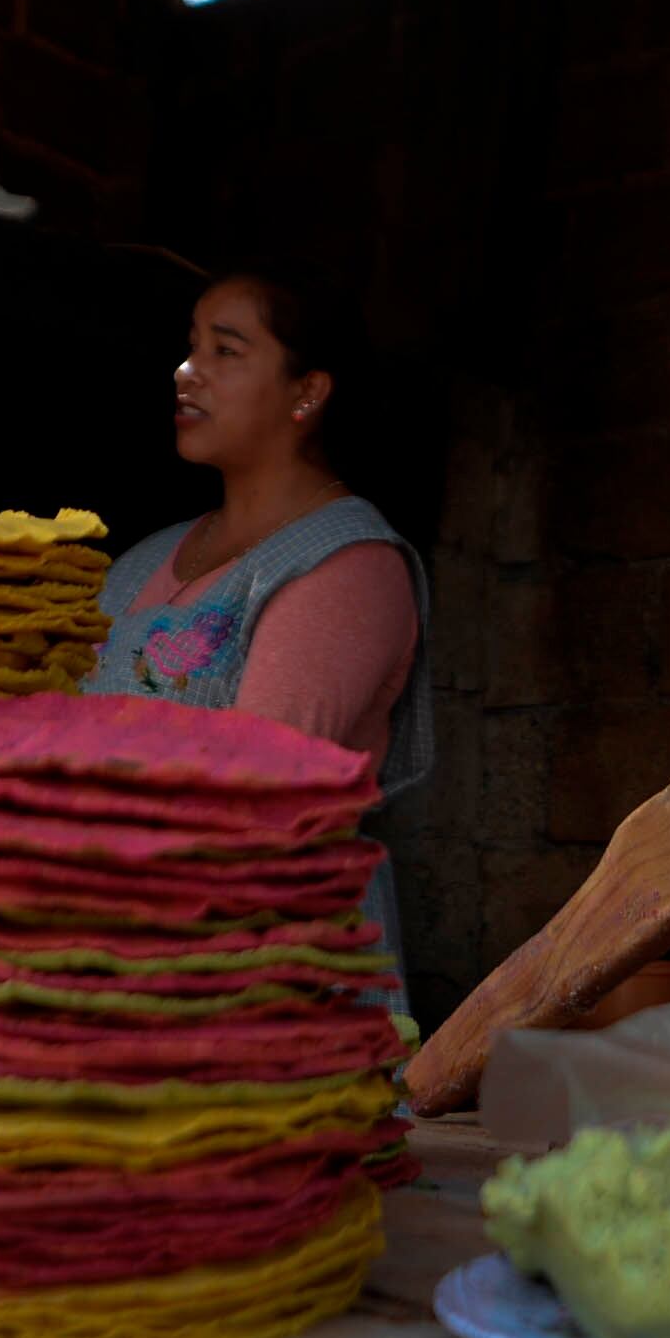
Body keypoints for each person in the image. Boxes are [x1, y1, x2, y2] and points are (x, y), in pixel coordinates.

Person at [85, 260, 433, 1017]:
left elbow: (260, 800)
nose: (187, 372)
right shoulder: (140, 562)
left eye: (226, 350)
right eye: (191, 346)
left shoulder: (347, 564)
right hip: (111, 944)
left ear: (307, 391)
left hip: (266, 978)